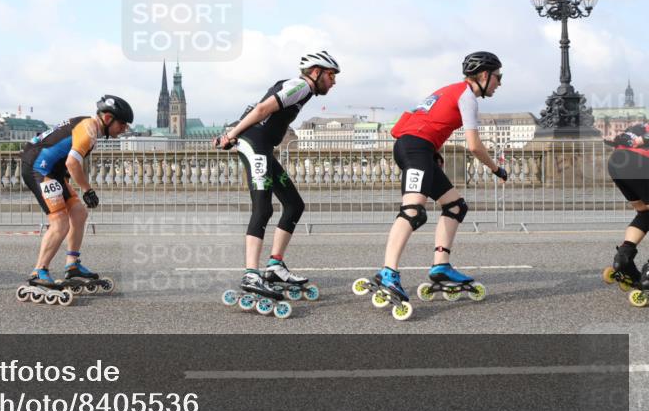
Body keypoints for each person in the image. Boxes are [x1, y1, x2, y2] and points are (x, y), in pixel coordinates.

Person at [356, 51, 507, 320]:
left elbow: (425, 120)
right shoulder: (468, 97)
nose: (499, 83)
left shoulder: (449, 89)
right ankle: (388, 273)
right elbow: (474, 145)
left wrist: (433, 150)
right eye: (498, 77)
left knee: (455, 206)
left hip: (417, 147)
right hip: (415, 149)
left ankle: (441, 266)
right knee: (413, 211)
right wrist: (496, 168)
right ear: (484, 76)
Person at [215, 51, 339, 317]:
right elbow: (260, 110)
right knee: (264, 208)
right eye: (331, 75)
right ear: (315, 72)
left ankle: (274, 266)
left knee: (294, 205)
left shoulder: (303, 91)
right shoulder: (300, 85)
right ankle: (251, 274)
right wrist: (231, 135)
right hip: (253, 143)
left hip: (263, 148)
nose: (334, 82)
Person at [17, 95, 131, 303]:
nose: (124, 129)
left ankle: (72, 264)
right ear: (107, 118)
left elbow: (64, 157)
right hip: (38, 168)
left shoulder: (90, 127)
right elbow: (72, 163)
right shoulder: (88, 130)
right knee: (60, 223)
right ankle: (39, 271)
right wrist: (87, 190)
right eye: (122, 124)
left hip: (52, 171)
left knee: (79, 213)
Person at [603, 121, 649, 307]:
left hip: (616, 161)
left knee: (644, 212)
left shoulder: (642, 124)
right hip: (641, 161)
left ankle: (623, 258)